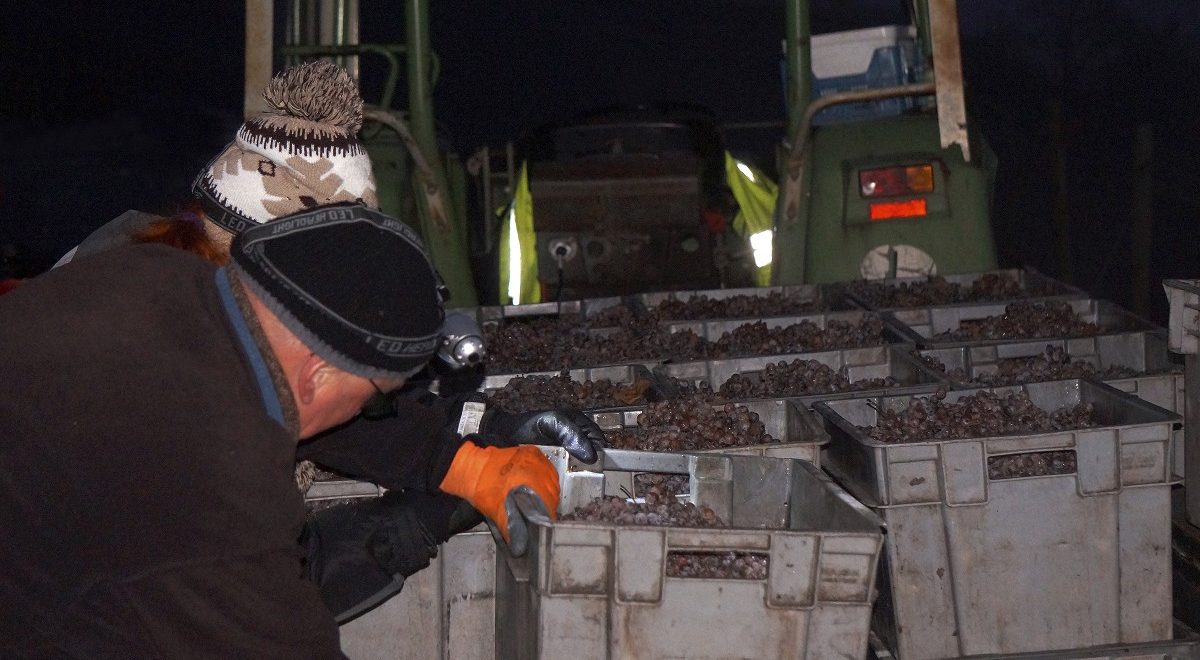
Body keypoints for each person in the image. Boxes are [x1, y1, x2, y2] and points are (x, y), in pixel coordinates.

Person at [43, 60, 607, 622]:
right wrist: (402, 530)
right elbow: (240, 605)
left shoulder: (183, 274)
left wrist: (486, 434)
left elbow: (333, 417)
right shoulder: (150, 363)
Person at [0, 203, 565, 657]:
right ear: (318, 376)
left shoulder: (152, 273)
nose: (366, 414)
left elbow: (277, 383)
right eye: (375, 402)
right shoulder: (220, 495)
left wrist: (457, 462)